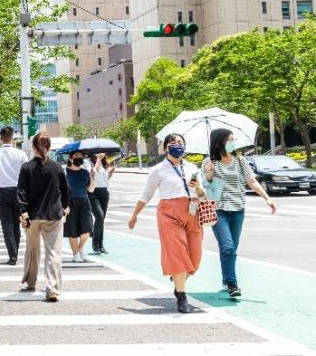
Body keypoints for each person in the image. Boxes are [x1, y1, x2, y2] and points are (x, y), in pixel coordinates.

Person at [128, 133, 206, 313]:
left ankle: (178, 279)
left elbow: (202, 196)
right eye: (173, 142)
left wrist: (198, 188)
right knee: (177, 253)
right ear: (165, 147)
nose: (177, 145)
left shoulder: (192, 168)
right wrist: (134, 215)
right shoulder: (158, 170)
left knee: (195, 258)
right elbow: (145, 195)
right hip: (169, 214)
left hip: (192, 211)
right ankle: (181, 296)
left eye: (181, 142)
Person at [200, 128, 276, 299]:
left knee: (231, 249)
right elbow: (205, 186)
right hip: (218, 210)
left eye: (233, 140)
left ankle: (226, 279)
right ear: (219, 142)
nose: (232, 143)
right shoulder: (208, 162)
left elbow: (252, 181)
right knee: (227, 247)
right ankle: (232, 284)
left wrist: (267, 198)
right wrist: (209, 173)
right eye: (228, 140)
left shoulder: (240, 161)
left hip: (238, 209)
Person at [18, 131, 69, 302]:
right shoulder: (57, 167)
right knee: (53, 252)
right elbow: (65, 191)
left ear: (33, 147)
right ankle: (53, 288)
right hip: (53, 214)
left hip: (32, 215)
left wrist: (23, 211)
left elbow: (21, 192)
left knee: (32, 249)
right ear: (49, 147)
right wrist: (65, 206)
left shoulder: (26, 168)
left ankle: (31, 282)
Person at [0, 127, 29, 265]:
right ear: (12, 138)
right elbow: (26, 174)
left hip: (1, 191)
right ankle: (15, 251)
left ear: (0, 138)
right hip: (18, 191)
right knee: (17, 223)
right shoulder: (21, 154)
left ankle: (12, 254)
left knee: (6, 223)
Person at [64, 151, 95, 263]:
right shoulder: (65, 172)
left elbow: (91, 189)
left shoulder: (85, 172)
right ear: (70, 158)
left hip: (84, 202)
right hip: (69, 203)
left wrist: (92, 177)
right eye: (76, 156)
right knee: (72, 231)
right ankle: (75, 254)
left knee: (87, 229)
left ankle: (80, 248)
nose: (79, 158)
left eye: (81, 157)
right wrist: (64, 205)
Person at [88, 153, 115, 254]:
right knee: (99, 216)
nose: (101, 154)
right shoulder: (88, 163)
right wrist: (98, 160)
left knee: (101, 219)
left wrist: (110, 174)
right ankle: (95, 243)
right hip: (93, 192)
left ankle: (100, 244)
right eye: (98, 153)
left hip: (104, 192)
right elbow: (92, 172)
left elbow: (104, 180)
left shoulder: (104, 164)